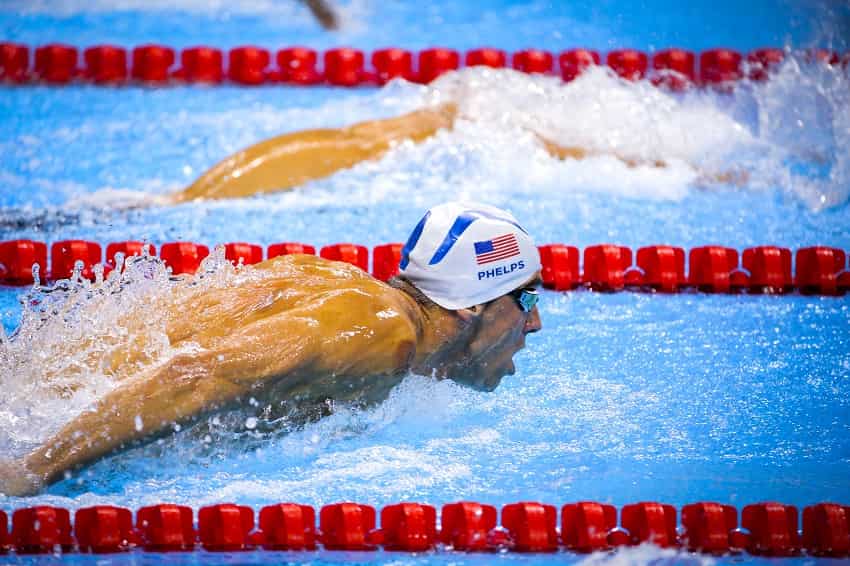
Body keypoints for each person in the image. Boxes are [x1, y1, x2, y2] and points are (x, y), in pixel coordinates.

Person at [0, 201, 543, 496]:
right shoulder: (382, 336)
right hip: (32, 417)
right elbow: (194, 374)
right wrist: (35, 470)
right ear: (474, 304)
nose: (535, 323)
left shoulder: (346, 288)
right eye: (526, 298)